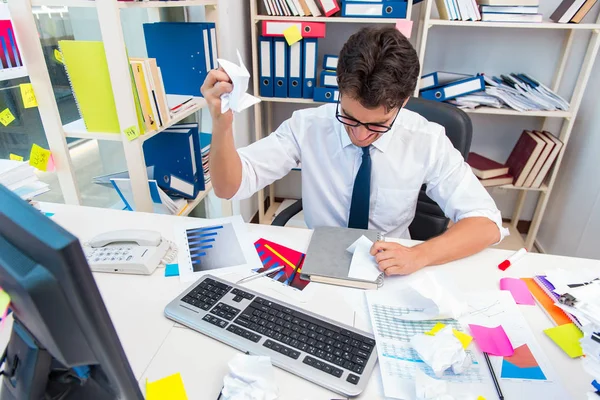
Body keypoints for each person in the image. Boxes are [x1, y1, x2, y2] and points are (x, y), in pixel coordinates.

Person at [201, 26, 507, 276]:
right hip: (318, 264)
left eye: (377, 125)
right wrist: (222, 123)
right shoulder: (308, 126)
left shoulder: (426, 139)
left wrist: (420, 255)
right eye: (349, 117)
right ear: (339, 88)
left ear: (403, 102)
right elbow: (230, 187)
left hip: (392, 268)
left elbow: (486, 223)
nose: (360, 134)